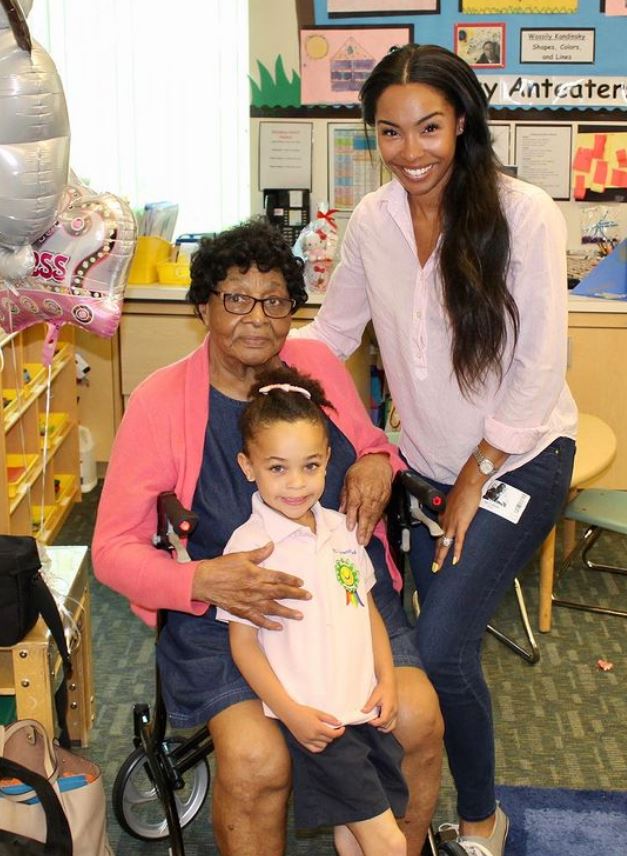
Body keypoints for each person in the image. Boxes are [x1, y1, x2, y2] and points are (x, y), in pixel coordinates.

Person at [293, 43, 577, 856]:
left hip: (516, 463)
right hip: (420, 464)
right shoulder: (373, 224)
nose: (409, 152)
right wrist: (252, 358)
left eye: (427, 129)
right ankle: (412, 808)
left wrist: (471, 480)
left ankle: (482, 816)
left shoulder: (523, 215)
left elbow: (537, 368)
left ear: (461, 122)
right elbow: (333, 334)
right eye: (389, 133)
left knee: (442, 647)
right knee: (428, 651)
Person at [92, 218, 443, 856]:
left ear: (292, 309)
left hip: (344, 597)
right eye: (235, 299)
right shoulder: (161, 401)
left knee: (417, 719)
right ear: (203, 306)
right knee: (257, 761)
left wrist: (372, 462)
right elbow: (112, 551)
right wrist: (198, 579)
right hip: (232, 619)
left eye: (275, 300)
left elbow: (371, 446)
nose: (256, 317)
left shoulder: (313, 363)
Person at [216, 364, 408, 856]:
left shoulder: (342, 530)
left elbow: (365, 611)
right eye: (277, 467)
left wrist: (386, 677)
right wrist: (290, 714)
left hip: (361, 710)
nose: (296, 484)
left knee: (354, 835)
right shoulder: (250, 546)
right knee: (387, 841)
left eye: (310, 466)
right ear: (247, 466)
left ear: (327, 461)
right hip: (318, 725)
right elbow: (244, 645)